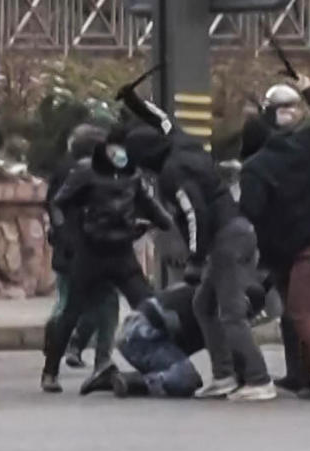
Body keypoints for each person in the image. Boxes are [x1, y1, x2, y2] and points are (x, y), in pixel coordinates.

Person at [121, 85, 276, 402]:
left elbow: (196, 215)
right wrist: (135, 102)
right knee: (203, 305)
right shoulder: (181, 143)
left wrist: (194, 259)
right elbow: (163, 119)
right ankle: (223, 376)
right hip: (234, 232)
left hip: (225, 239)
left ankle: (259, 379)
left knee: (230, 313)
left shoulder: (173, 173)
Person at [239, 74, 310, 399]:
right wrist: (309, 89)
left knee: (301, 312)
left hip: (299, 247)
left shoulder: (256, 168)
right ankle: (304, 372)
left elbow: (250, 212)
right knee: (309, 304)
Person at [41, 128, 172, 394]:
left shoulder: (132, 174)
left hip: (122, 252)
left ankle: (160, 364)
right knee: (72, 311)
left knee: (149, 306)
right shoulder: (84, 171)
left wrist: (165, 220)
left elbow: (147, 202)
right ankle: (50, 371)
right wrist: (65, 235)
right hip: (90, 252)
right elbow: (58, 203)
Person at [44, 124, 120, 372]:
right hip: (90, 248)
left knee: (71, 302)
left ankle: (62, 345)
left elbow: (53, 206)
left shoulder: (63, 170)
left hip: (70, 247)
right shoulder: (94, 173)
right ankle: (96, 357)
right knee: (101, 303)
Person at [110, 282, 267, 399]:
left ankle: (109, 377)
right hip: (141, 334)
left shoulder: (211, 295)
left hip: (136, 331)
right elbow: (234, 352)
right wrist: (253, 378)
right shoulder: (218, 309)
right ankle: (132, 382)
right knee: (186, 379)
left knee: (177, 371)